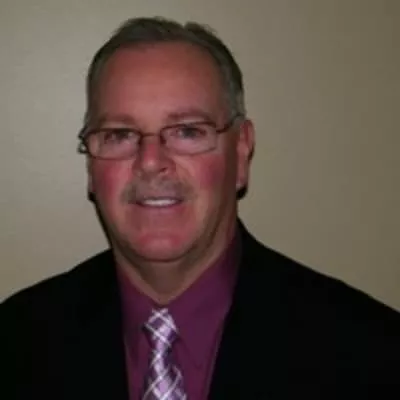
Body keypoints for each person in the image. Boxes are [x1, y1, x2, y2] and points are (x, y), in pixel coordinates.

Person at [2, 16, 399, 400]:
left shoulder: (372, 355)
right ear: (91, 165)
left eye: (188, 131)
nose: (150, 162)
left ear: (240, 152)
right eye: (119, 134)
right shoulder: (16, 342)